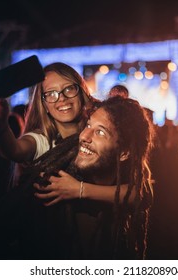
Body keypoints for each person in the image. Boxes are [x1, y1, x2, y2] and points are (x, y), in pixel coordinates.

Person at [33, 96, 155, 259]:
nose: (84, 136)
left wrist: (79, 190)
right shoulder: (55, 180)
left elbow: (142, 195)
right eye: (88, 125)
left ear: (124, 153)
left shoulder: (126, 178)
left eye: (100, 132)